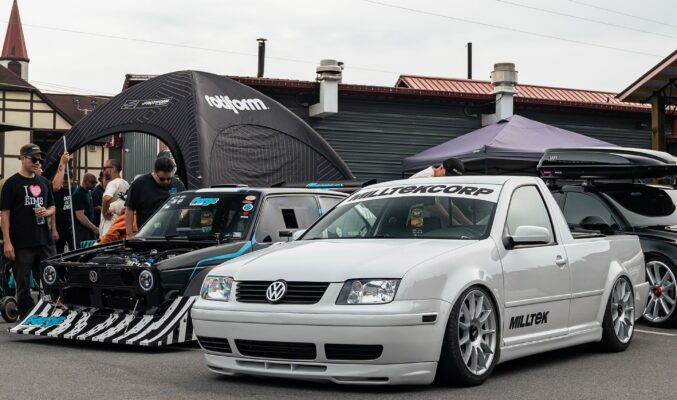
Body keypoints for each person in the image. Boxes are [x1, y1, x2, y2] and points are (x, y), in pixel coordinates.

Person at [1, 144, 56, 319]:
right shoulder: (11, 183)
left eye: (40, 159)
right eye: (34, 159)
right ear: (23, 158)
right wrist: (7, 242)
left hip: (44, 239)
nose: (37, 162)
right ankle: (26, 315)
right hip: (22, 241)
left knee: (51, 276)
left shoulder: (44, 182)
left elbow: (53, 206)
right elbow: (5, 214)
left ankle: (49, 310)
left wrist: (47, 212)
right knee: (23, 282)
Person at [125, 157, 185, 239]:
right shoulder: (139, 184)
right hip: (146, 234)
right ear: (154, 172)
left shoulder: (178, 185)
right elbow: (129, 209)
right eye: (162, 179)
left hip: (171, 234)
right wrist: (129, 234)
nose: (166, 182)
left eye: (169, 179)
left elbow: (185, 207)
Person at [51, 152, 74, 253]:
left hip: (70, 226)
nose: (65, 181)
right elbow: (53, 212)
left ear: (71, 179)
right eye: (63, 179)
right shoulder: (57, 192)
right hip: (59, 227)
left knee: (74, 249)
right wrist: (54, 230)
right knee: (59, 251)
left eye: (67, 179)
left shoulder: (73, 191)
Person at [100, 159, 129, 236]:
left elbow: (107, 198)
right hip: (120, 224)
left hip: (109, 224)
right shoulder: (126, 183)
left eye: (105, 168)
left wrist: (104, 213)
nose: (103, 171)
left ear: (113, 169)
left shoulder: (112, 183)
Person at [72, 173, 99, 246]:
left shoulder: (88, 192)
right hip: (81, 231)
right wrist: (94, 228)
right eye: (92, 182)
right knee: (84, 251)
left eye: (95, 182)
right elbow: (80, 216)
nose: (94, 185)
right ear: (85, 181)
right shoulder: (78, 194)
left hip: (88, 229)